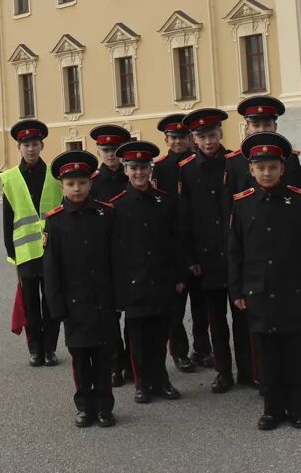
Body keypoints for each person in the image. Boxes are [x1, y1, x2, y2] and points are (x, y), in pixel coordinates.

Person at [229, 132, 301, 431]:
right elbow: (234, 251)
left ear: (283, 169)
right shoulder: (241, 203)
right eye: (261, 167)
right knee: (266, 355)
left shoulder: (297, 201)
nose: (267, 172)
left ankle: (296, 409)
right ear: (251, 170)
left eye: (272, 167)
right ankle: (272, 409)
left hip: (292, 289)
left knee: (294, 353)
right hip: (257, 291)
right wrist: (237, 290)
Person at [177, 107, 253, 393]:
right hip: (206, 258)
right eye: (202, 137)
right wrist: (191, 258)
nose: (208, 141)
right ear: (195, 139)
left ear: (220, 133)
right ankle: (223, 372)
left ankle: (247, 370)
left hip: (235, 254)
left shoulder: (236, 163)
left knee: (242, 318)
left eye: (212, 135)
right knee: (216, 320)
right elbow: (184, 219)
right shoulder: (186, 169)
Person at [42, 150, 119, 428]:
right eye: (71, 184)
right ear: (62, 186)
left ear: (91, 183)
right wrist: (56, 307)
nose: (77, 189)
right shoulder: (56, 220)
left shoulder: (105, 214)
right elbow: (51, 270)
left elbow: (116, 259)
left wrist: (118, 297)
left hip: (104, 301)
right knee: (80, 359)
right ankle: (85, 406)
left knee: (104, 357)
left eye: (83, 183)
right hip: (75, 306)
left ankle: (105, 408)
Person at [110, 139, 184, 404]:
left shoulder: (164, 202)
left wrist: (178, 276)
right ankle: (142, 382)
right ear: (125, 170)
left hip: (161, 280)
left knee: (160, 333)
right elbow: (114, 253)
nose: (139, 173)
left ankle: (161, 379)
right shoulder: (116, 207)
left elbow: (176, 242)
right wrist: (118, 288)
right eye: (133, 168)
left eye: (143, 167)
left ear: (150, 169)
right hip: (134, 284)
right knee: (138, 338)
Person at [1, 119, 62, 367]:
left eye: (35, 144)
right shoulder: (10, 177)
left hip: (51, 250)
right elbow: (7, 218)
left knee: (51, 300)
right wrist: (11, 253)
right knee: (31, 305)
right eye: (26, 144)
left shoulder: (55, 174)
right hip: (25, 251)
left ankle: (50, 349)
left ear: (42, 145)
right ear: (19, 147)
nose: (31, 149)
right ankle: (35, 349)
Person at [154, 113, 209, 373]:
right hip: (174, 246)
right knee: (175, 307)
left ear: (190, 138)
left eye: (183, 137)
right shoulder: (160, 168)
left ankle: (202, 349)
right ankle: (179, 352)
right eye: (174, 137)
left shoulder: (199, 162)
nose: (179, 141)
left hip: (199, 243)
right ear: (166, 140)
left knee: (202, 305)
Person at [88, 123, 132, 386]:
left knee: (135, 317)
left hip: (132, 255)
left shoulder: (133, 176)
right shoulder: (92, 183)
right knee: (110, 317)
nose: (111, 154)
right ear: (99, 151)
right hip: (104, 259)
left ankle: (134, 362)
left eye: (116, 149)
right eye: (106, 149)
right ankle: (116, 364)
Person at [234, 96, 301, 191]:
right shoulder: (234, 162)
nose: (262, 130)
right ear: (247, 128)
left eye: (267, 125)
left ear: (275, 127)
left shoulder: (290, 158)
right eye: (256, 125)